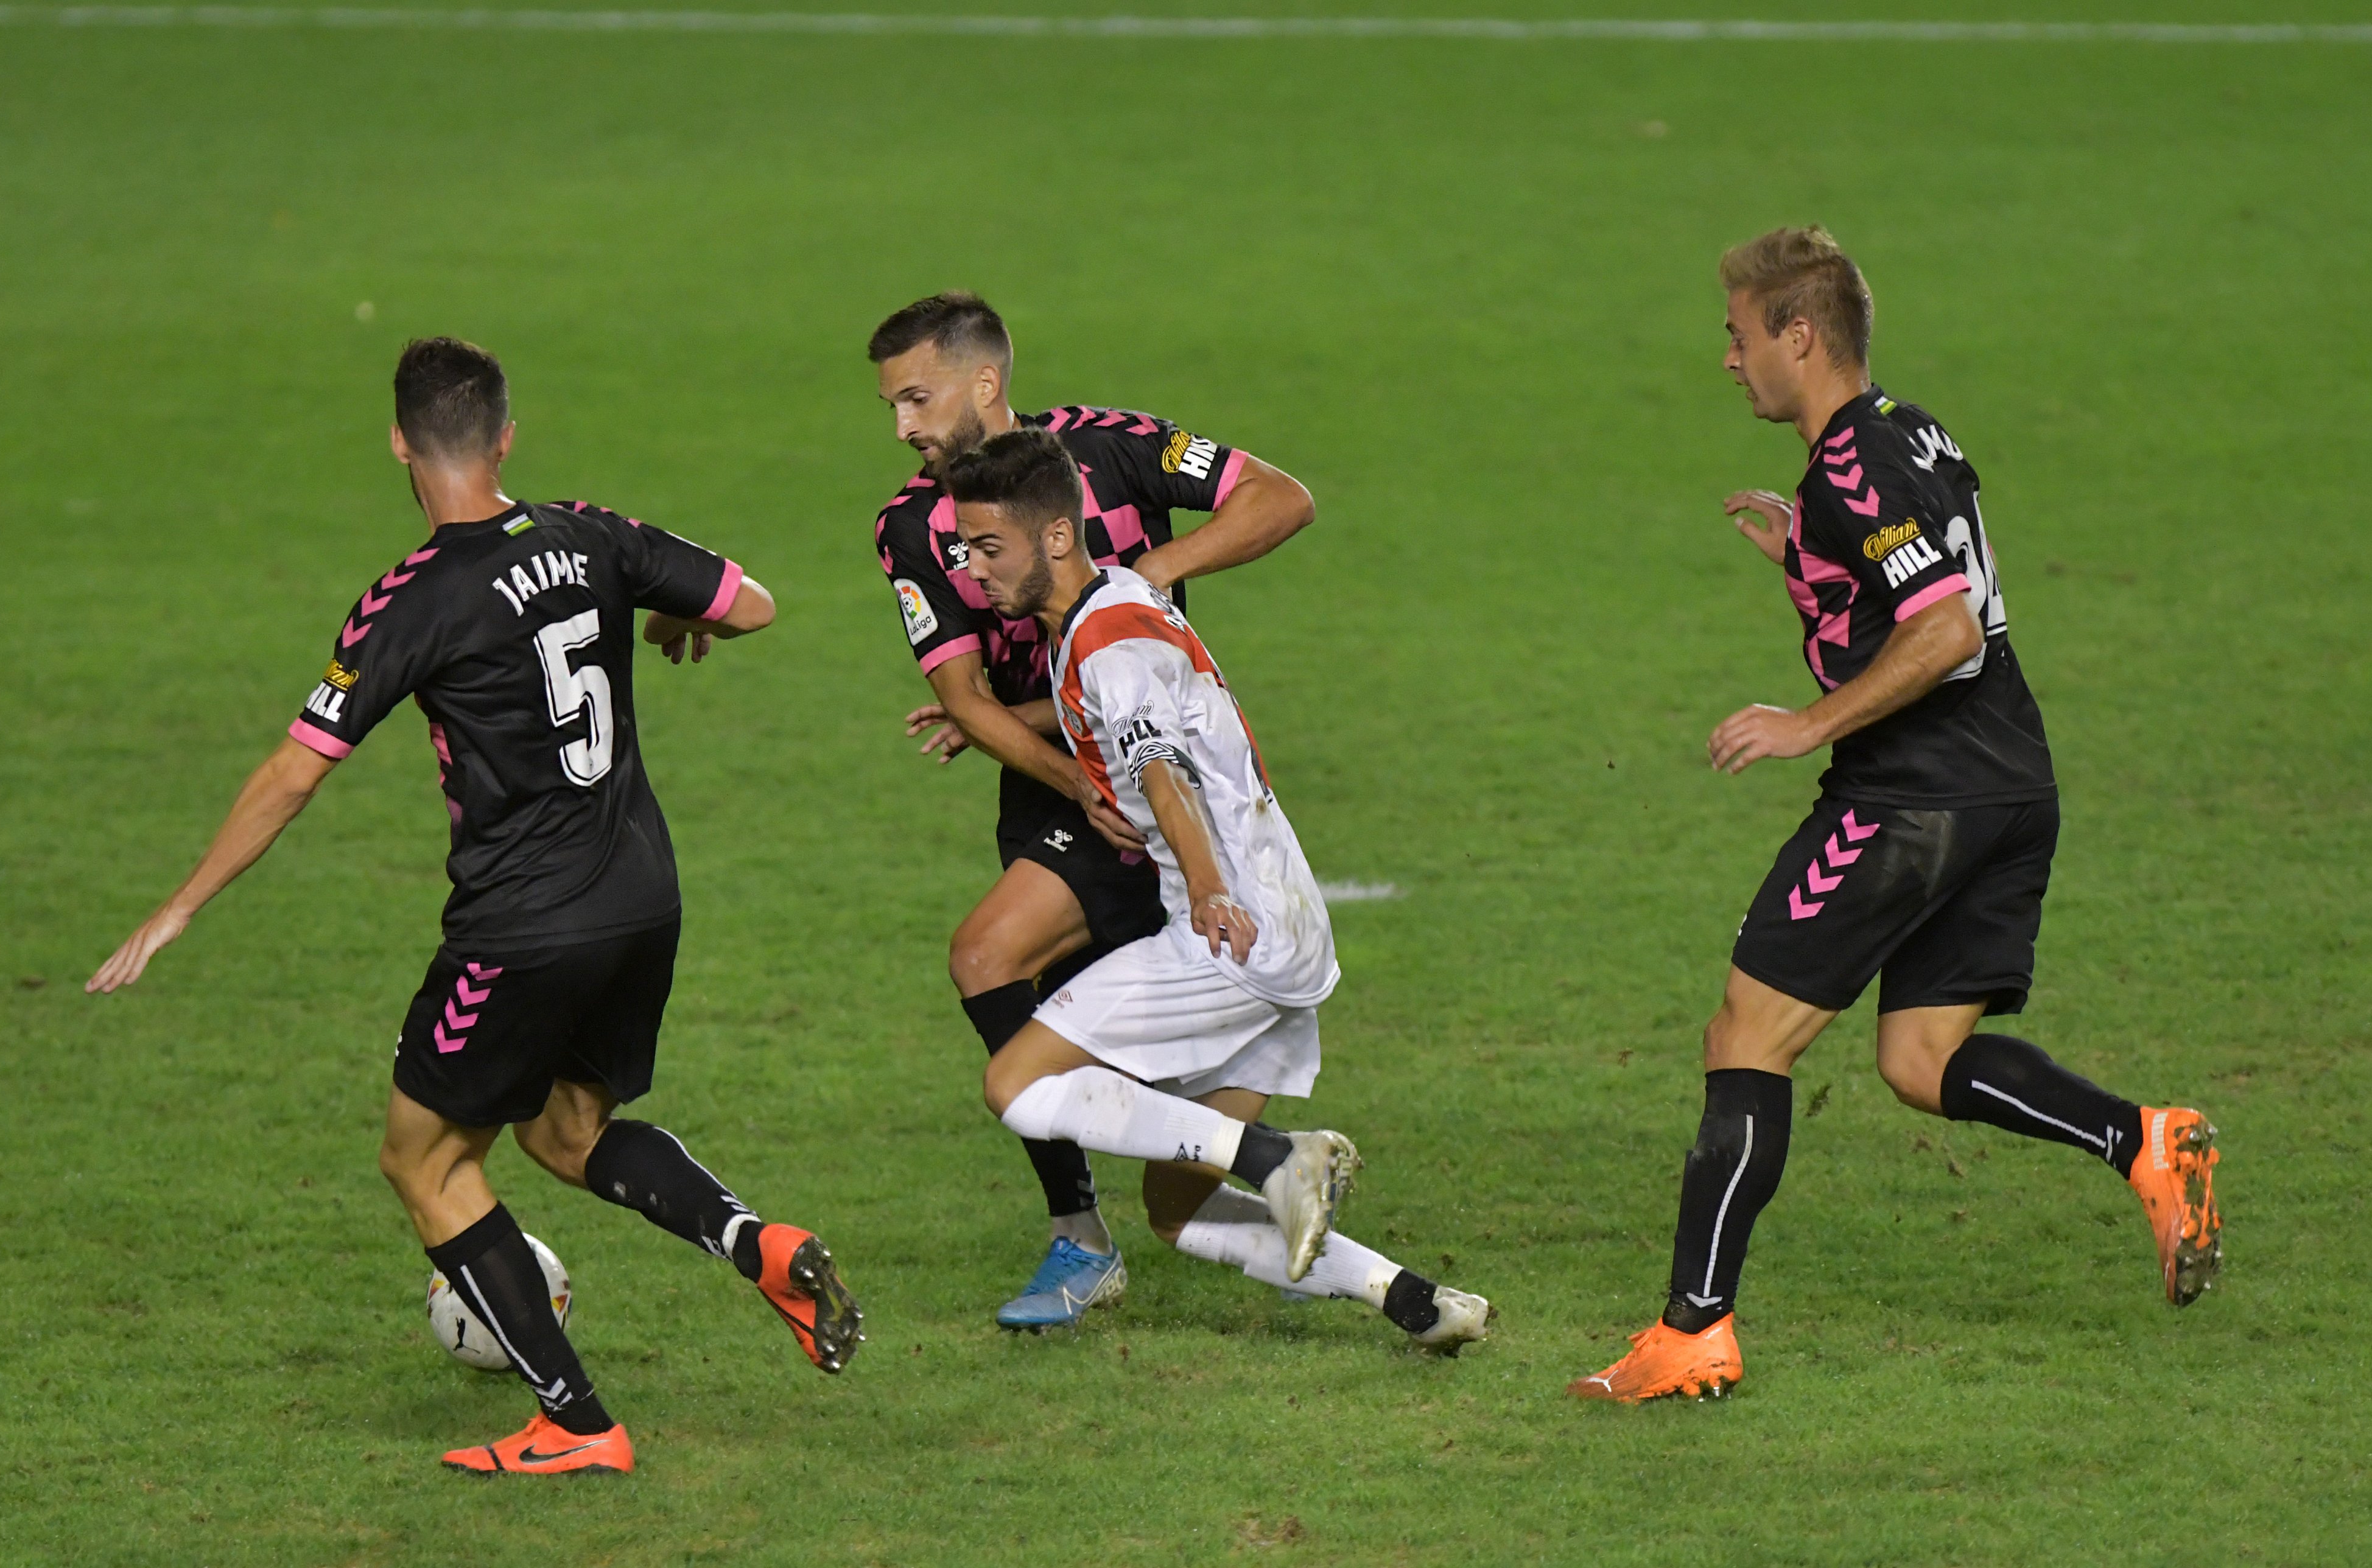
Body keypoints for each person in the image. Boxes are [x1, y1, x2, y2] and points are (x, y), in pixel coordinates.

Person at [87, 337, 861, 1473]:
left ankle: (580, 1424)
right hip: (642, 898)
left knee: (426, 1163)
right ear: (506, 437)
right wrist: (677, 617)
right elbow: (751, 603)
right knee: (565, 1131)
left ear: (400, 443)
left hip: (522, 925)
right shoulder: (592, 532)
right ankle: (757, 1244)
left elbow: (297, 769)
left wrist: (181, 906)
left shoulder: (410, 600)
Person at [1569, 228, 2222, 1404]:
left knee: (1744, 1039)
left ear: (1799, 335)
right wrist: (1808, 552)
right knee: (1922, 1061)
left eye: (1739, 333)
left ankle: (1692, 1331)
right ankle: (2146, 1142)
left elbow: (1946, 630)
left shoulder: (1859, 463)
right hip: (2013, 785)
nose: (1729, 359)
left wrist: (1807, 724)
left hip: (1917, 796)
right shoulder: (1907, 430)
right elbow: (1921, 583)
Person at [943, 427, 1488, 1353]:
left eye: (990, 549)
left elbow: (1161, 769)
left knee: (1016, 1083)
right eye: (965, 548)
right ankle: (1413, 1301)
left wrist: (1201, 889)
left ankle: (1279, 1158)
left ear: (1057, 539)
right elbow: (1140, 716)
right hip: (1289, 920)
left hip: (1231, 934)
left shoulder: (1105, 648)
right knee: (1177, 1209)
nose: (973, 571)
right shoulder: (1121, 597)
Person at [868, 292, 1318, 1328]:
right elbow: (963, 701)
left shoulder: (1112, 449)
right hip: (1065, 785)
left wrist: (1145, 578)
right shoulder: (910, 527)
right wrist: (1079, 778)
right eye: (894, 407)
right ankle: (1098, 1226)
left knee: (1000, 968)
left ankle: (1153, 1218)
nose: (904, 427)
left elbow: (1280, 499)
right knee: (1022, 992)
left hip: (1168, 775)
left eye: (918, 399)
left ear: (986, 385)